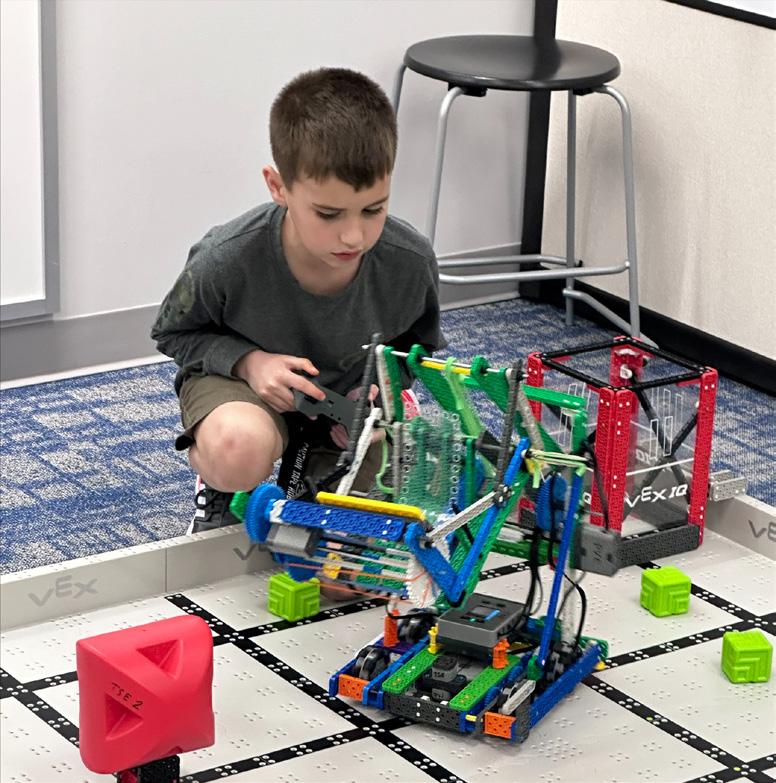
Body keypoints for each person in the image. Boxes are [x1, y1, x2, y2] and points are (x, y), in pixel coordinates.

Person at [151, 67, 446, 534]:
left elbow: (416, 346)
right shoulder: (225, 257)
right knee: (237, 450)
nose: (354, 236)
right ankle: (221, 482)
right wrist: (249, 363)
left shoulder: (409, 261)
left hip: (344, 407)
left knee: (343, 542)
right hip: (246, 390)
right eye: (328, 214)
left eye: (374, 209)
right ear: (278, 187)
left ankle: (344, 451)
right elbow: (172, 333)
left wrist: (380, 386)